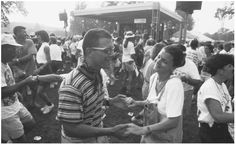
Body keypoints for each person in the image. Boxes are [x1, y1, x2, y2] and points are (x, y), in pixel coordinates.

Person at [57, 28, 130, 143]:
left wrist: (110, 101)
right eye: (107, 51)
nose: (112, 55)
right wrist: (110, 131)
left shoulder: (97, 72)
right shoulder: (72, 86)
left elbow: (90, 102)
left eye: (112, 50)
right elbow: (71, 128)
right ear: (89, 51)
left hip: (96, 134)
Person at [124, 44, 186, 142]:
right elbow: (151, 101)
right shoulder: (154, 77)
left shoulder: (174, 85)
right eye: (159, 57)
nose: (158, 61)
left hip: (166, 136)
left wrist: (144, 129)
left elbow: (173, 121)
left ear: (173, 67)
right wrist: (137, 103)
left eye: (164, 61)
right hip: (152, 132)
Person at [1, 34, 36, 142]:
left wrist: (17, 93)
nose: (15, 52)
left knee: (30, 123)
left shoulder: (5, 63)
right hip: (6, 112)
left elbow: (8, 83)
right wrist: (25, 82)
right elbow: (2, 92)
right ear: (3, 48)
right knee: (21, 140)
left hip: (14, 103)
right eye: (12, 49)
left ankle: (10, 140)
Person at [197, 54, 234, 143]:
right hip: (212, 131)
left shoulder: (222, 84)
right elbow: (218, 116)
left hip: (220, 129)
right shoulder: (210, 87)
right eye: (230, 66)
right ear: (220, 70)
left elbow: (226, 105)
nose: (233, 69)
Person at [34, 30, 54, 114]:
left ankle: (50, 105)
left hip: (44, 71)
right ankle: (48, 104)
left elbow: (49, 61)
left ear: (42, 36)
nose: (36, 37)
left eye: (38, 35)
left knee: (40, 91)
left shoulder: (46, 46)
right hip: (41, 70)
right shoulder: (42, 45)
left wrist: (40, 69)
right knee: (40, 91)